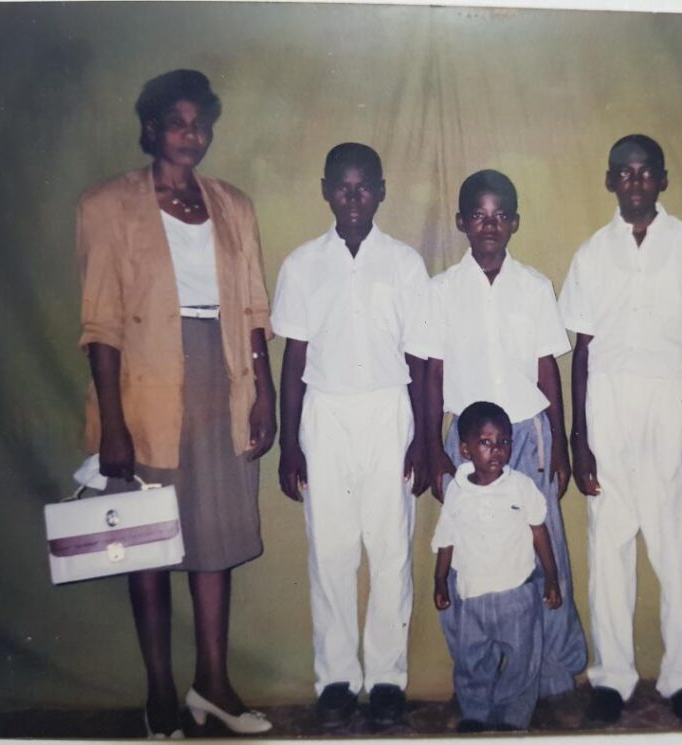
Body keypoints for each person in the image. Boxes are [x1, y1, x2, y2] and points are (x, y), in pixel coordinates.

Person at [77, 70, 275, 737]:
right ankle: (160, 689)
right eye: (178, 121)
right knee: (149, 544)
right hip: (146, 390)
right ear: (151, 128)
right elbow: (100, 324)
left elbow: (252, 310)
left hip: (223, 382)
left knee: (214, 538)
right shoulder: (107, 206)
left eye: (201, 122)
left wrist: (264, 389)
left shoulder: (233, 206)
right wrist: (111, 424)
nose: (192, 134)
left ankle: (212, 683)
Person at [558, 134, 682, 725]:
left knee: (674, 543)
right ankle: (611, 677)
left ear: (662, 179)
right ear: (610, 181)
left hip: (670, 400)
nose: (635, 182)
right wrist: (579, 437)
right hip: (607, 403)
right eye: (624, 173)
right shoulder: (591, 253)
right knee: (609, 543)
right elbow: (581, 348)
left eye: (646, 173)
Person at [270, 143, 430, 729]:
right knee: (331, 552)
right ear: (325, 190)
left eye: (365, 187)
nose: (354, 197)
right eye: (343, 187)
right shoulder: (302, 265)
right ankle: (335, 676)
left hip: (389, 414)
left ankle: (388, 677)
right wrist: (291, 443)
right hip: (327, 415)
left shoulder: (405, 264)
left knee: (390, 551)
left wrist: (424, 439)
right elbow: (294, 358)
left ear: (382, 191)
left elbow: (419, 356)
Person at [417, 169, 587, 716]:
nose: (489, 226)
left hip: (528, 435)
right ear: (462, 221)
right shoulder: (441, 290)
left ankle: (551, 674)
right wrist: (431, 447)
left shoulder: (534, 286)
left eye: (500, 215)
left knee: (543, 549)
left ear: (513, 222)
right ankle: (479, 678)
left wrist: (558, 443)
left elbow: (547, 371)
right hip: (465, 444)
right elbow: (433, 374)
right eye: (478, 215)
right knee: (471, 553)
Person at [431, 401, 563, 732]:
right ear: (465, 449)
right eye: (486, 442)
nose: (496, 451)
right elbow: (446, 540)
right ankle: (475, 714)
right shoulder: (457, 493)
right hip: (472, 596)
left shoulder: (521, 486)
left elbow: (539, 532)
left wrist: (551, 578)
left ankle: (512, 719)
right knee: (471, 661)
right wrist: (439, 581)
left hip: (517, 594)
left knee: (522, 662)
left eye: (503, 442)